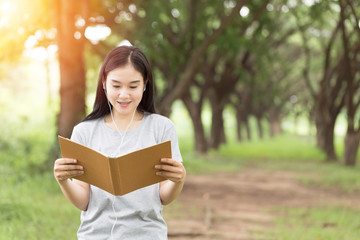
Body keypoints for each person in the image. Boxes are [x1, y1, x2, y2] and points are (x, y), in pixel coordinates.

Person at [53, 45, 186, 240]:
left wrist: (179, 179)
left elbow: (164, 197)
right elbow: (83, 201)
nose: (124, 95)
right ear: (104, 83)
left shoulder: (161, 128)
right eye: (116, 86)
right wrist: (63, 180)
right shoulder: (84, 132)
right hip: (95, 235)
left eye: (133, 86)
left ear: (145, 84)